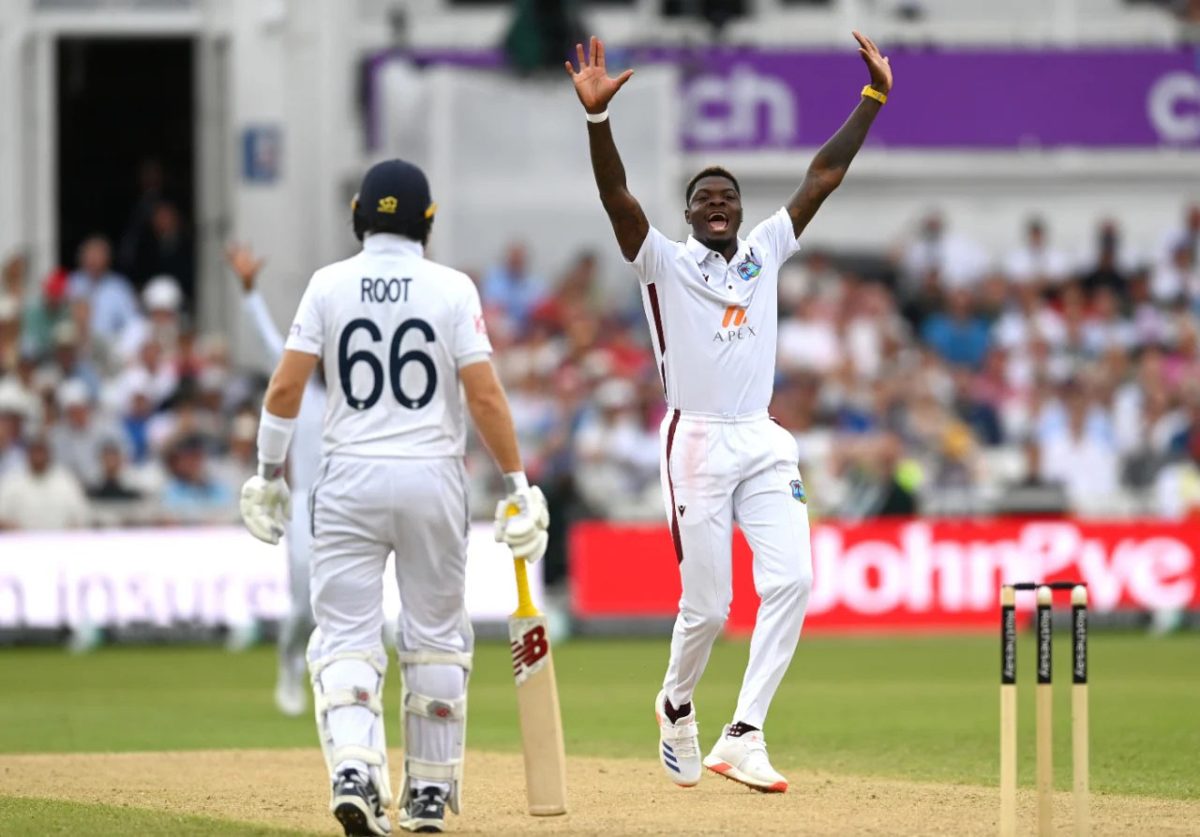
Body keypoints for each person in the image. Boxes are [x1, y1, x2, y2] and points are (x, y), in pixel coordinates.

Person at [566, 33, 892, 792]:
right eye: (704, 199)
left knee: (793, 582)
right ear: (687, 215)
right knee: (708, 609)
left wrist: (872, 98)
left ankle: (743, 731)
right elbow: (617, 198)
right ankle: (676, 701)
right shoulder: (662, 260)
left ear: (741, 211)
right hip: (698, 439)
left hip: (763, 436)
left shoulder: (765, 251)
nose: (718, 205)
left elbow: (824, 175)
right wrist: (597, 123)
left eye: (728, 198)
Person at [238, 159, 549, 835]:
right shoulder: (451, 287)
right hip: (431, 474)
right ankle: (429, 793)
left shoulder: (327, 284)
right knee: (436, 635)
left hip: (347, 478)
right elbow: (484, 393)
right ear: (426, 222)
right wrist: (518, 484)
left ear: (358, 215)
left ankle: (354, 767)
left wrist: (267, 471)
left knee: (345, 634)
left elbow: (285, 390)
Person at [226, 242, 328, 717]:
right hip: (305, 502)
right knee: (304, 603)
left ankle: (340, 681)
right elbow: (271, 341)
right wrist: (249, 289)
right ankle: (290, 661)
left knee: (355, 605)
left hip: (354, 501)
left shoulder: (362, 390)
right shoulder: (302, 386)